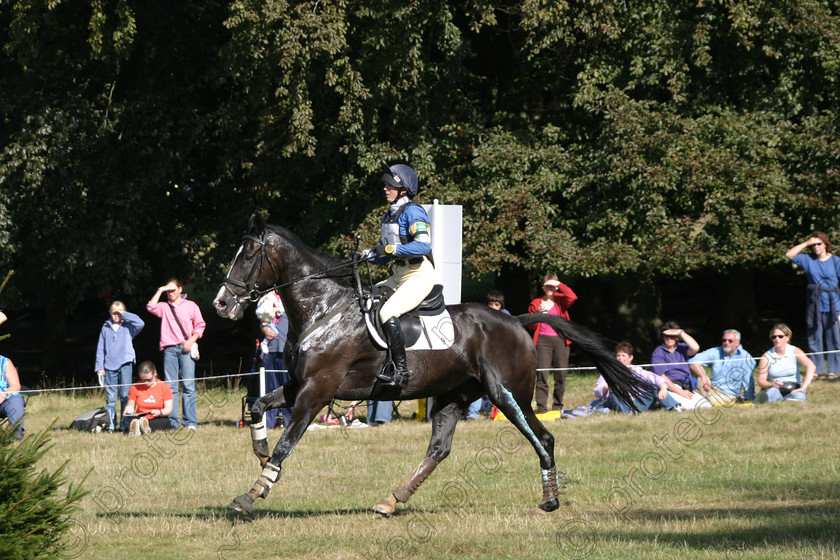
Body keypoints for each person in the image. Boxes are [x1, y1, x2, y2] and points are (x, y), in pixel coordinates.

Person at [354, 162, 435, 387]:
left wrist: (390, 250)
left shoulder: (413, 212)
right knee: (366, 299)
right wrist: (365, 255)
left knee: (388, 311)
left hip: (418, 274)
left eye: (389, 185)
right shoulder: (389, 216)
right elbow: (383, 254)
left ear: (403, 189)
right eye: (385, 185)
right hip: (398, 274)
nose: (385, 188)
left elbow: (423, 246)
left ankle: (401, 371)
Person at [146, 278, 206, 430]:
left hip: (186, 348)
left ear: (180, 289)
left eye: (173, 290)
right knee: (171, 387)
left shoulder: (191, 306)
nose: (170, 293)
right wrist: (160, 289)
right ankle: (172, 422)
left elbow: (200, 325)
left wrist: (191, 341)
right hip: (169, 350)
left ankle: (190, 421)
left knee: (188, 386)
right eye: (168, 291)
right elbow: (150, 307)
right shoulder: (164, 307)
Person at [785, 232, 840, 380]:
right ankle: (815, 369)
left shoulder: (836, 261)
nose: (816, 247)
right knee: (814, 337)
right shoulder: (808, 260)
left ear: (826, 245)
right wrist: (806, 243)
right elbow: (789, 254)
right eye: (814, 245)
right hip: (814, 304)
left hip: (834, 305)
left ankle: (833, 370)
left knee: (834, 338)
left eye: (819, 244)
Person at [527, 273, 577, 413]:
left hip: (561, 340)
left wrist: (559, 285)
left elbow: (572, 297)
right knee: (542, 374)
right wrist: (537, 313)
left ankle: (557, 406)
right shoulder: (536, 303)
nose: (550, 289)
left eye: (552, 286)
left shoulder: (561, 299)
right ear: (543, 287)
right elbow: (531, 326)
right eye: (547, 286)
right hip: (542, 340)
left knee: (561, 374)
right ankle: (541, 407)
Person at [592, 342, 687, 413]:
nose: (620, 358)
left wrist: (663, 388)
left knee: (655, 386)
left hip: (639, 403)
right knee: (614, 393)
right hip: (620, 403)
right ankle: (627, 412)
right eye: (618, 355)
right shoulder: (608, 372)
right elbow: (598, 392)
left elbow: (656, 379)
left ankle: (673, 407)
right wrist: (609, 387)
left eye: (623, 355)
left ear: (630, 358)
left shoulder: (637, 370)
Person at [94, 301, 145, 432]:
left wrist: (124, 314)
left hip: (125, 363)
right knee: (111, 398)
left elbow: (141, 323)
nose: (116, 315)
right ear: (110, 313)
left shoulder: (129, 326)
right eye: (114, 313)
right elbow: (100, 349)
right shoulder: (105, 327)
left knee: (125, 396)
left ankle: (125, 424)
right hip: (110, 365)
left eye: (119, 313)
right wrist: (100, 368)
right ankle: (111, 425)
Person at [466, 290, 509, 420]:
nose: (493, 307)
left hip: (499, 356)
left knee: (497, 384)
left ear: (501, 305)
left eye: (496, 304)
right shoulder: (480, 316)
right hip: (482, 355)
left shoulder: (506, 317)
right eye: (490, 304)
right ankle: (472, 413)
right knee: (478, 383)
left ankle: (495, 411)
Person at [689, 329, 756, 405]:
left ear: (737, 343)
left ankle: (697, 397)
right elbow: (692, 360)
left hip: (728, 395)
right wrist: (703, 376)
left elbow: (748, 381)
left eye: (730, 341)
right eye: (724, 340)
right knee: (694, 367)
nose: (726, 343)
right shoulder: (716, 351)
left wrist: (749, 398)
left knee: (710, 401)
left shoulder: (745, 357)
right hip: (710, 388)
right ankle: (695, 396)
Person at [256, 291, 291, 428]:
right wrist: (263, 329)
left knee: (289, 388)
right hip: (270, 351)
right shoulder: (266, 301)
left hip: (286, 351)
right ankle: (268, 422)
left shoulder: (288, 300)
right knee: (270, 389)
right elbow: (262, 320)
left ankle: (290, 421)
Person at [755, 323, 816, 403]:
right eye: (774, 337)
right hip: (774, 388)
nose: (777, 339)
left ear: (787, 337)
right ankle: (770, 398)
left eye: (780, 336)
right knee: (771, 393)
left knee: (799, 397)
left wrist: (803, 387)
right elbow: (761, 381)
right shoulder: (766, 356)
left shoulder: (795, 351)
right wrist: (772, 384)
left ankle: (790, 398)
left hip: (793, 388)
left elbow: (811, 366)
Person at [125, 361, 174, 435]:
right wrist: (128, 410)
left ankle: (142, 428)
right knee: (134, 421)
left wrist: (160, 412)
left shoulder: (165, 386)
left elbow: (168, 409)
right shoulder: (134, 387)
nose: (146, 382)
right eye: (143, 380)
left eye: (149, 379)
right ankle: (139, 427)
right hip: (141, 417)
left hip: (158, 417)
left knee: (160, 423)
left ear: (155, 373)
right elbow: (131, 405)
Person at [650, 321, 700, 391]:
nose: (669, 338)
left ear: (677, 337)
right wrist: (680, 391)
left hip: (686, 383)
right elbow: (661, 377)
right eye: (666, 336)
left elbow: (695, 348)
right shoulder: (658, 352)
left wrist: (681, 332)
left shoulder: (682, 347)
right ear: (662, 337)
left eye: (672, 336)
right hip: (669, 386)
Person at [0, 354, 24, 441]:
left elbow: (15, 386)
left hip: (4, 400)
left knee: (16, 400)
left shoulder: (5, 362)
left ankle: (16, 433)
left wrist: (4, 394)